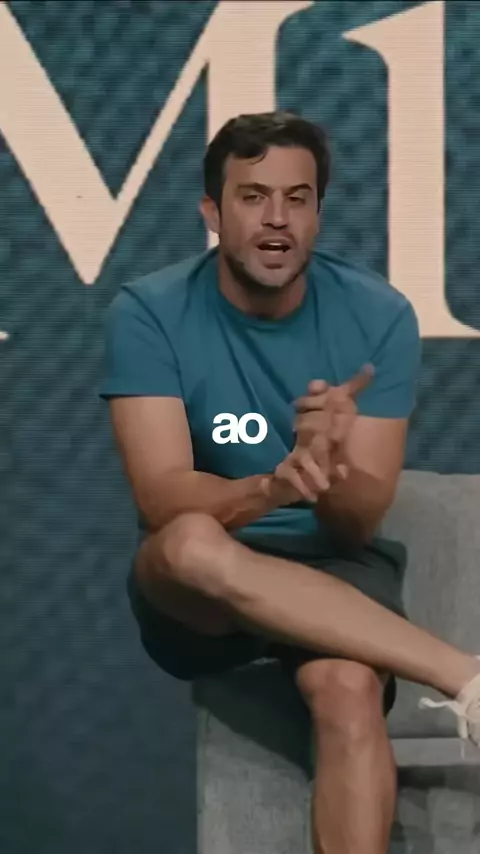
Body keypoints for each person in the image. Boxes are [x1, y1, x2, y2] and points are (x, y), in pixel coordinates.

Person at [100, 111, 480, 854]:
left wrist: (328, 471)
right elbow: (161, 494)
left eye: (297, 198)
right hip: (201, 588)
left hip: (329, 563)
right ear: (213, 213)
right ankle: (464, 677)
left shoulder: (377, 316)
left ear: (317, 215)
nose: (277, 218)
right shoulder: (148, 311)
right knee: (190, 544)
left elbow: (357, 524)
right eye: (253, 197)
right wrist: (270, 490)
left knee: (349, 690)